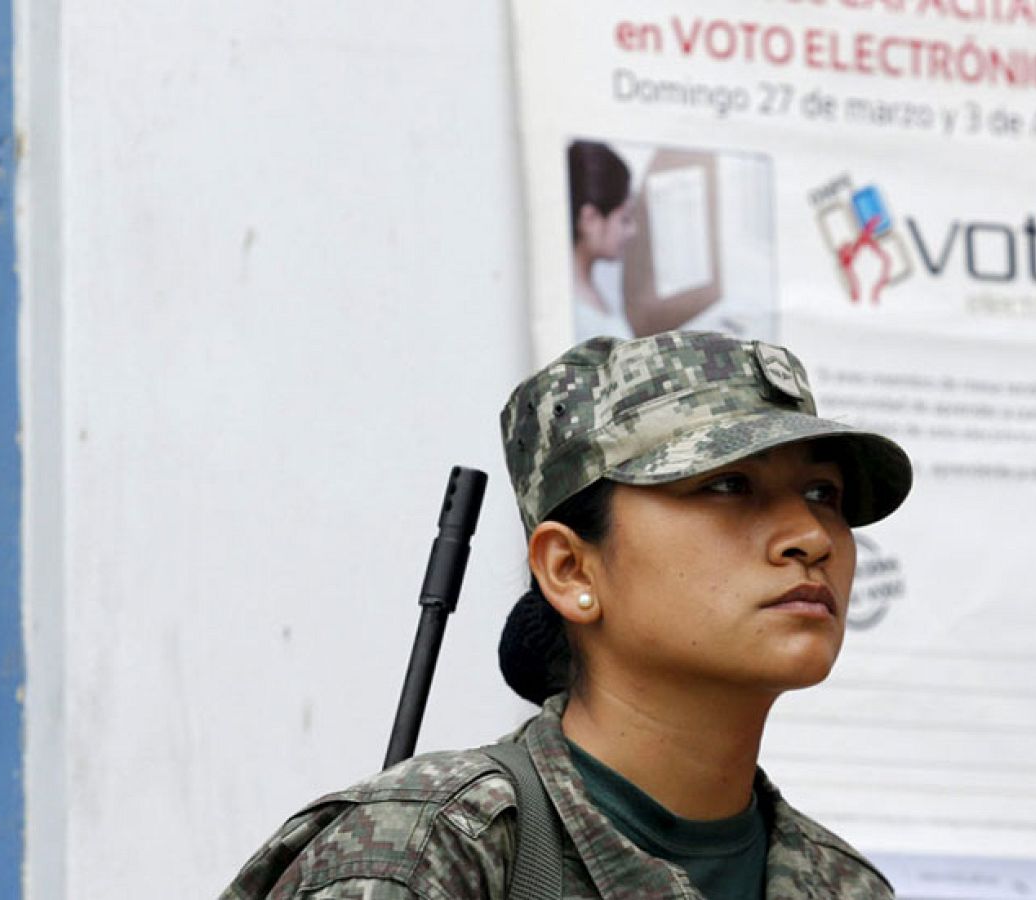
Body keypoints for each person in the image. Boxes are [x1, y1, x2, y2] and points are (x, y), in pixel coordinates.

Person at [222, 330, 914, 899]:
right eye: (728, 485)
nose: (812, 537)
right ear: (570, 569)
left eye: (824, 492)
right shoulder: (431, 856)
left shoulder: (843, 888)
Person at [568, 141, 638, 338]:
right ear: (589, 219)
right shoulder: (576, 316)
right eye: (624, 219)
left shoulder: (589, 291)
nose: (632, 230)